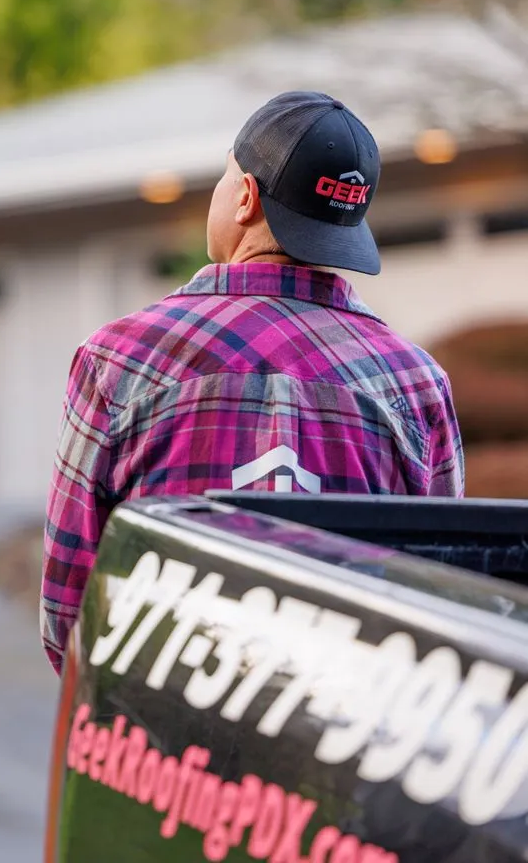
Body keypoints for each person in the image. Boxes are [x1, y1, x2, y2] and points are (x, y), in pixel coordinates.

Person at [40, 91, 464, 673]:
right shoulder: (415, 384)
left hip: (157, 742)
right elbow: (445, 601)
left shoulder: (121, 361)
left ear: (243, 197)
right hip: (338, 741)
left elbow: (69, 607)